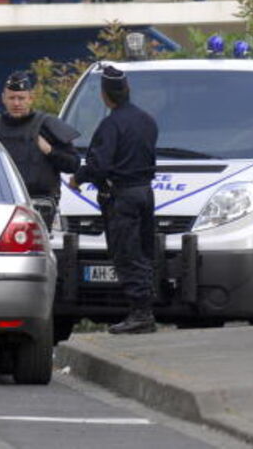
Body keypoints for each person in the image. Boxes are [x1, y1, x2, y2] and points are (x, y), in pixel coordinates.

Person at [69, 64, 159, 334]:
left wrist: (78, 178)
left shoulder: (111, 125)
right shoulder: (147, 120)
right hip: (145, 192)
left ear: (104, 95)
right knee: (143, 252)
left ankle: (140, 314)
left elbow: (99, 165)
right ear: (127, 89)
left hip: (122, 197)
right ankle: (145, 310)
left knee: (126, 253)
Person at [0, 71, 80, 217]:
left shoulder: (46, 126)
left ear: (30, 98)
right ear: (3, 99)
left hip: (40, 206)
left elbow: (73, 164)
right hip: (2, 205)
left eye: (21, 98)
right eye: (12, 98)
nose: (16, 103)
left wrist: (50, 151)